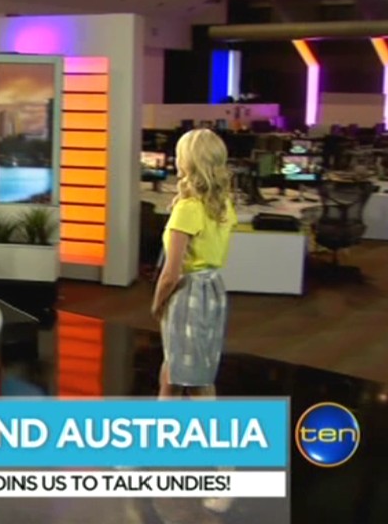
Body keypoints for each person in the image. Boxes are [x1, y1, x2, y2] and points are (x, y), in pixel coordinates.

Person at [150, 129, 238, 518]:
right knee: (170, 374)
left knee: (199, 385)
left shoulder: (188, 208)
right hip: (211, 291)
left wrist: (157, 303)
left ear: (189, 161)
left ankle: (226, 474)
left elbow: (171, 273)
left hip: (187, 294)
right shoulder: (222, 203)